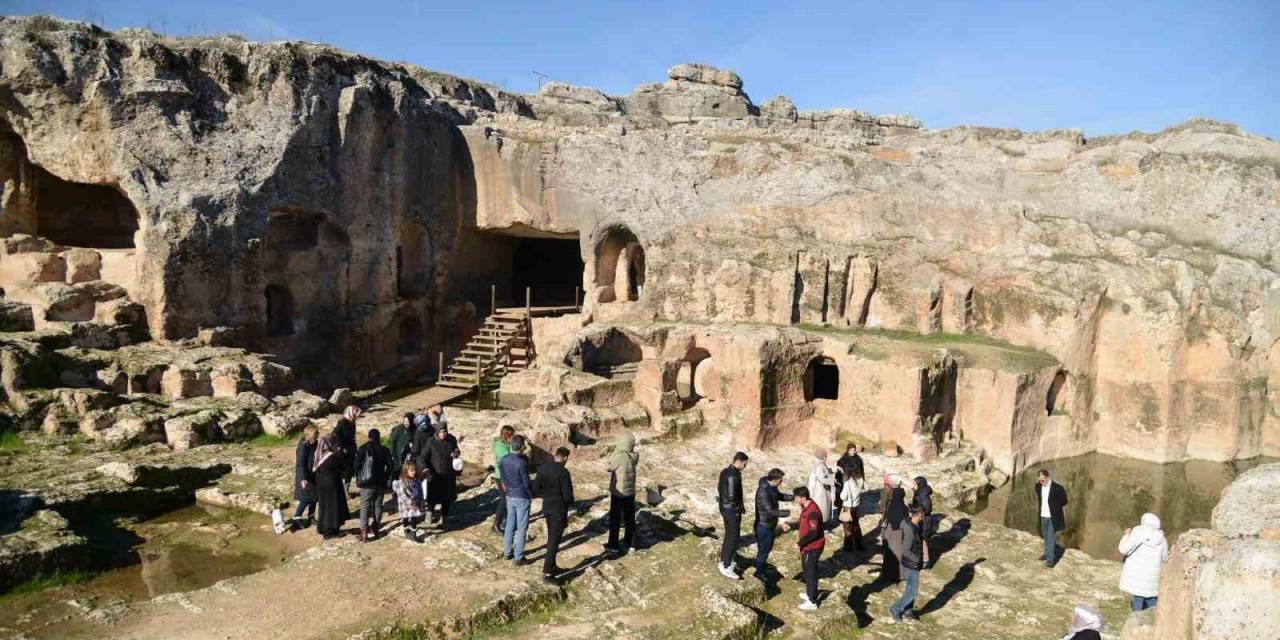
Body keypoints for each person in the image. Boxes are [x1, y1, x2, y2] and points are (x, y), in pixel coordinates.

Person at [533, 446, 575, 585]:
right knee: (554, 541)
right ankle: (548, 573)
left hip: (547, 508)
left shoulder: (543, 468)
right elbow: (568, 496)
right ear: (565, 457)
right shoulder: (563, 472)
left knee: (552, 537)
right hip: (558, 510)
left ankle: (552, 566)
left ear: (555, 455)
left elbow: (535, 489)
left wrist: (546, 495)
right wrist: (571, 507)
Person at [1118, 513, 1168, 611]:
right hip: (1153, 578)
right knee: (1152, 601)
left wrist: (1126, 535)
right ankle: (1153, 621)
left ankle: (1135, 622)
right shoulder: (1162, 538)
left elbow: (1123, 549)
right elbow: (1165, 558)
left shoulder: (1138, 531)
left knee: (1137, 599)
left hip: (1138, 575)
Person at [887, 505, 926, 623]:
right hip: (911, 563)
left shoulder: (911, 524)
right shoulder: (910, 529)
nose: (924, 516)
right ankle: (895, 608)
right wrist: (917, 559)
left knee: (910, 587)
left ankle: (908, 610)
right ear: (919, 515)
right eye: (923, 514)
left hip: (911, 562)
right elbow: (905, 550)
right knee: (913, 590)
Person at [753, 468, 793, 580]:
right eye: (781, 479)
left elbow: (780, 496)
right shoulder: (763, 491)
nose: (782, 482)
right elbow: (770, 511)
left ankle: (761, 567)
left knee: (767, 548)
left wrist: (793, 497)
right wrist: (788, 512)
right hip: (763, 526)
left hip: (769, 525)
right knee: (763, 550)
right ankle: (759, 572)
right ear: (775, 479)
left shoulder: (771, 487)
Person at [354, 429, 393, 542]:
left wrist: (359, 477)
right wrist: (385, 477)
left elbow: (356, 466)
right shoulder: (384, 449)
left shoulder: (362, 448)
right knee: (378, 506)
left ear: (369, 437)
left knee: (365, 507)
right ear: (379, 437)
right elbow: (390, 466)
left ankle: (364, 533)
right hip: (380, 483)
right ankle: (376, 529)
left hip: (366, 484)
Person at [500, 435, 533, 565]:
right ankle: (518, 557)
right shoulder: (521, 462)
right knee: (521, 528)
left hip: (509, 494)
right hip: (521, 496)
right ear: (520, 446)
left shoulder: (503, 459)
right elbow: (526, 482)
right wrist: (531, 494)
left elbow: (503, 477)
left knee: (509, 524)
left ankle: (507, 552)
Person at [605, 431, 639, 555]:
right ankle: (630, 544)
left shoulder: (619, 456)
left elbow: (608, 467)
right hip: (630, 492)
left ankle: (613, 545)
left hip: (618, 493)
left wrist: (614, 453)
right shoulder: (634, 455)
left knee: (615, 519)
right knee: (630, 518)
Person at [716, 452, 749, 579]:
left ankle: (724, 560)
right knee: (733, 537)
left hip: (725, 508)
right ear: (739, 461)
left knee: (729, 535)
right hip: (731, 511)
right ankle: (726, 566)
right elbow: (732, 496)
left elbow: (720, 489)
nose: (745, 467)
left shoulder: (725, 471)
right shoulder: (733, 476)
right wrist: (738, 509)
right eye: (745, 464)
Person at [422, 423, 461, 527]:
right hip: (435, 474)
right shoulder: (431, 441)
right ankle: (430, 513)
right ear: (437, 432)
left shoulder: (451, 439)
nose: (443, 434)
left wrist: (456, 452)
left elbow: (456, 449)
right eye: (441, 432)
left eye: (445, 431)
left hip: (448, 473)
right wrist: (425, 470)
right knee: (432, 496)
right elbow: (423, 457)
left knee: (447, 497)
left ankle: (444, 517)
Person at [793, 486, 825, 611]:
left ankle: (812, 601)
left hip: (813, 547)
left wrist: (799, 543)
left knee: (810, 572)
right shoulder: (806, 507)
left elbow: (814, 533)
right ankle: (810, 593)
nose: (795, 500)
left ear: (803, 498)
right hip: (807, 547)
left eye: (796, 498)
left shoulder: (813, 512)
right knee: (807, 570)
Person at [313, 433, 349, 539]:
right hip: (332, 485)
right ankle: (330, 531)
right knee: (332, 509)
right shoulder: (332, 456)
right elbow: (343, 468)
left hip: (321, 484)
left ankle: (321, 527)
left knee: (323, 507)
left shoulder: (320, 454)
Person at [835, 443, 866, 552]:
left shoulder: (848, 483)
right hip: (856, 506)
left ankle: (848, 547)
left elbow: (843, 496)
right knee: (856, 525)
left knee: (847, 527)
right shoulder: (860, 481)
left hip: (847, 506)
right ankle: (859, 545)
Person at [1035, 469, 1069, 568]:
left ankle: (1050, 560)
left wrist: (1055, 506)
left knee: (1050, 537)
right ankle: (1046, 553)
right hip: (1043, 515)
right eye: (1039, 480)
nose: (1041, 482)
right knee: (1045, 535)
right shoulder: (1038, 487)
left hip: (1053, 517)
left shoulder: (1057, 488)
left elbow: (1064, 501)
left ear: (1048, 478)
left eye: (1042, 480)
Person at [879, 475, 908, 583]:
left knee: (890, 554)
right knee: (899, 554)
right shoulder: (904, 507)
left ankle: (888, 574)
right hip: (900, 532)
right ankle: (901, 575)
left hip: (890, 531)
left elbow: (886, 517)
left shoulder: (891, 505)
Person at [291, 425, 319, 529]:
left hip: (313, 474)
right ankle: (296, 518)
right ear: (310, 434)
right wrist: (303, 478)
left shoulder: (314, 443)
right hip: (305, 476)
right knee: (305, 499)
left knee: (315, 497)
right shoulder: (303, 446)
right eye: (316, 434)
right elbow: (301, 463)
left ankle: (311, 517)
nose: (317, 436)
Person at [491, 425, 515, 534]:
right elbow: (508, 458)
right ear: (506, 435)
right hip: (501, 476)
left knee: (507, 499)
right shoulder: (499, 446)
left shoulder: (506, 443)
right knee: (504, 499)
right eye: (511, 435)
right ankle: (496, 524)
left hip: (507, 475)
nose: (512, 437)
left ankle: (503, 520)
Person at [393, 460, 425, 541]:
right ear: (405, 471)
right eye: (411, 471)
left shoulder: (416, 480)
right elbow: (402, 494)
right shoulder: (402, 482)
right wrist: (410, 502)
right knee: (405, 518)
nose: (414, 472)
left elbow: (420, 491)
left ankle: (413, 536)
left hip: (415, 503)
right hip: (406, 505)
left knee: (414, 519)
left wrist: (421, 500)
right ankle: (407, 532)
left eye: (414, 470)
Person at [332, 406, 361, 493]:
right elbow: (335, 435)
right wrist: (341, 447)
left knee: (349, 471)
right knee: (342, 472)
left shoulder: (352, 423)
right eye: (355, 414)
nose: (356, 416)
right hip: (342, 452)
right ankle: (340, 491)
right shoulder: (342, 423)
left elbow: (352, 437)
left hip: (351, 451)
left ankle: (346, 491)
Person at [911, 476, 934, 566]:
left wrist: (914, 511)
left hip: (923, 521)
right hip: (920, 519)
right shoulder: (919, 493)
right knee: (920, 540)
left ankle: (925, 561)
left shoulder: (923, 495)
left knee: (922, 540)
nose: (912, 486)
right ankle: (924, 560)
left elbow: (926, 509)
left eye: (914, 484)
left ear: (919, 485)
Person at [808, 449, 835, 523]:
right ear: (823, 457)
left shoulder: (818, 464)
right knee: (821, 509)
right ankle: (820, 527)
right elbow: (822, 478)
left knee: (820, 509)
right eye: (825, 456)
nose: (826, 458)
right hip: (820, 492)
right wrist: (832, 481)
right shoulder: (820, 466)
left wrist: (830, 471)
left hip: (819, 491)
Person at [387, 412, 416, 477]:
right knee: (395, 471)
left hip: (407, 455)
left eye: (408, 421)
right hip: (397, 454)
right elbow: (393, 441)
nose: (406, 423)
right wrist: (391, 453)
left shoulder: (414, 430)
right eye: (404, 421)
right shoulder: (400, 428)